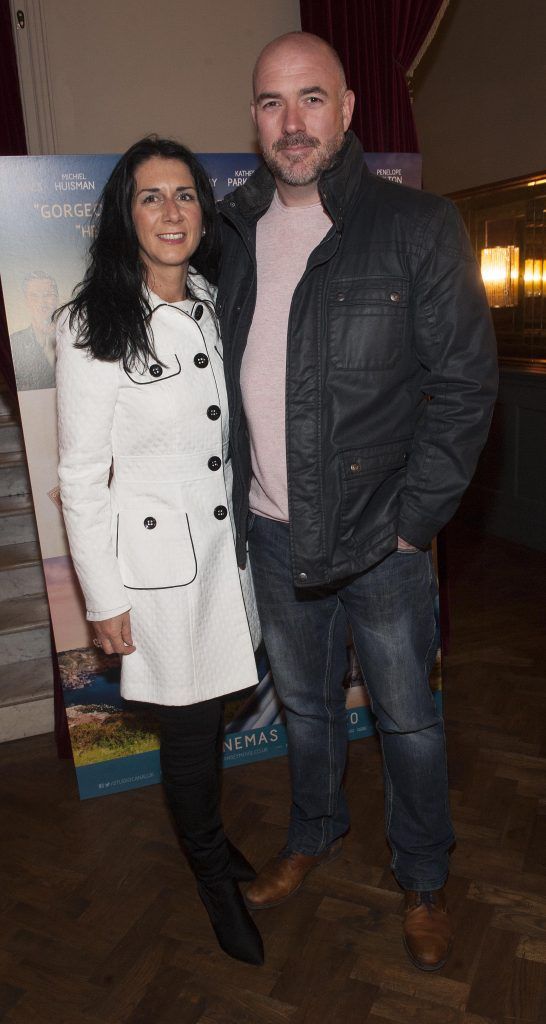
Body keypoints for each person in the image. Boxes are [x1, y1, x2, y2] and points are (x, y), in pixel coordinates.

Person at [217, 32, 498, 972]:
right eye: (270, 103)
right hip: (271, 531)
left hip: (383, 542)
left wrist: (413, 523)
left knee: (408, 720)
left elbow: (464, 389)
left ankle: (423, 878)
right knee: (303, 709)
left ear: (346, 111)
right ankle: (313, 835)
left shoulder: (418, 226)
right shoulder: (232, 233)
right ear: (254, 120)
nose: (290, 122)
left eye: (310, 99)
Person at [55, 136, 264, 966]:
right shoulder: (91, 321)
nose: (171, 211)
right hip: (158, 575)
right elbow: (79, 475)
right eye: (151, 196)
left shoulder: (212, 297)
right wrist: (103, 599)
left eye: (185, 195)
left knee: (213, 718)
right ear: (124, 213)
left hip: (228, 558)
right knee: (186, 735)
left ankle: (213, 847)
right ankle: (213, 876)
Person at [10, 271, 58, 389]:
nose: (42, 303)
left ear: (57, 298)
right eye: (34, 296)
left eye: (48, 295)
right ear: (26, 301)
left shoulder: (74, 337)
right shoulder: (14, 343)